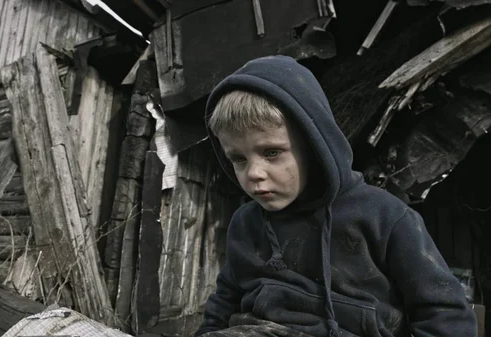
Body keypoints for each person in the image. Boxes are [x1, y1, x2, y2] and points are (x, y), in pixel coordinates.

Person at [195, 55, 476, 337]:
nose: (253, 172)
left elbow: (446, 317)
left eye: (271, 152)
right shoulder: (246, 223)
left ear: (314, 145)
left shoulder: (386, 217)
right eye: (238, 158)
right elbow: (223, 302)